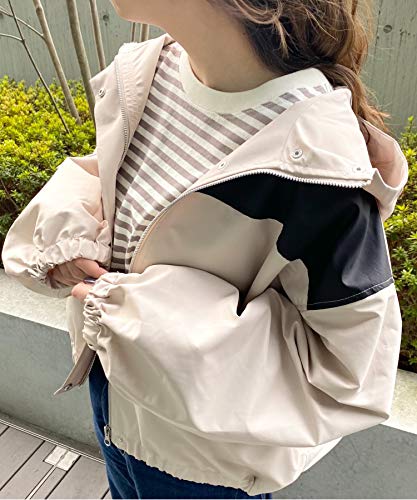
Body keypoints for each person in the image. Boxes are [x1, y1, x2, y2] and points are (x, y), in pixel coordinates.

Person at [2, 0, 409, 498]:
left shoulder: (322, 169)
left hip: (204, 467)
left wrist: (145, 322)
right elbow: (113, 181)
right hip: (114, 403)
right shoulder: (150, 74)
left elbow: (350, 375)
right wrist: (71, 235)